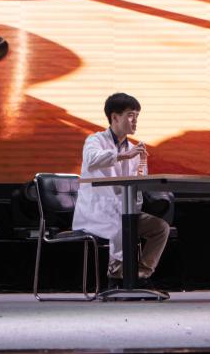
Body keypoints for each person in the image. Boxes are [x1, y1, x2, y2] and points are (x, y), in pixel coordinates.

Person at [72, 93, 169, 292]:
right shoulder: (95, 140)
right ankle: (116, 276)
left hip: (125, 211)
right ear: (114, 117)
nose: (135, 121)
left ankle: (140, 275)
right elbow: (92, 159)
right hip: (97, 212)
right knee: (120, 222)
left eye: (137, 116)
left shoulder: (134, 149)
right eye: (130, 115)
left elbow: (137, 185)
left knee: (160, 228)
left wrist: (141, 166)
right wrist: (124, 155)